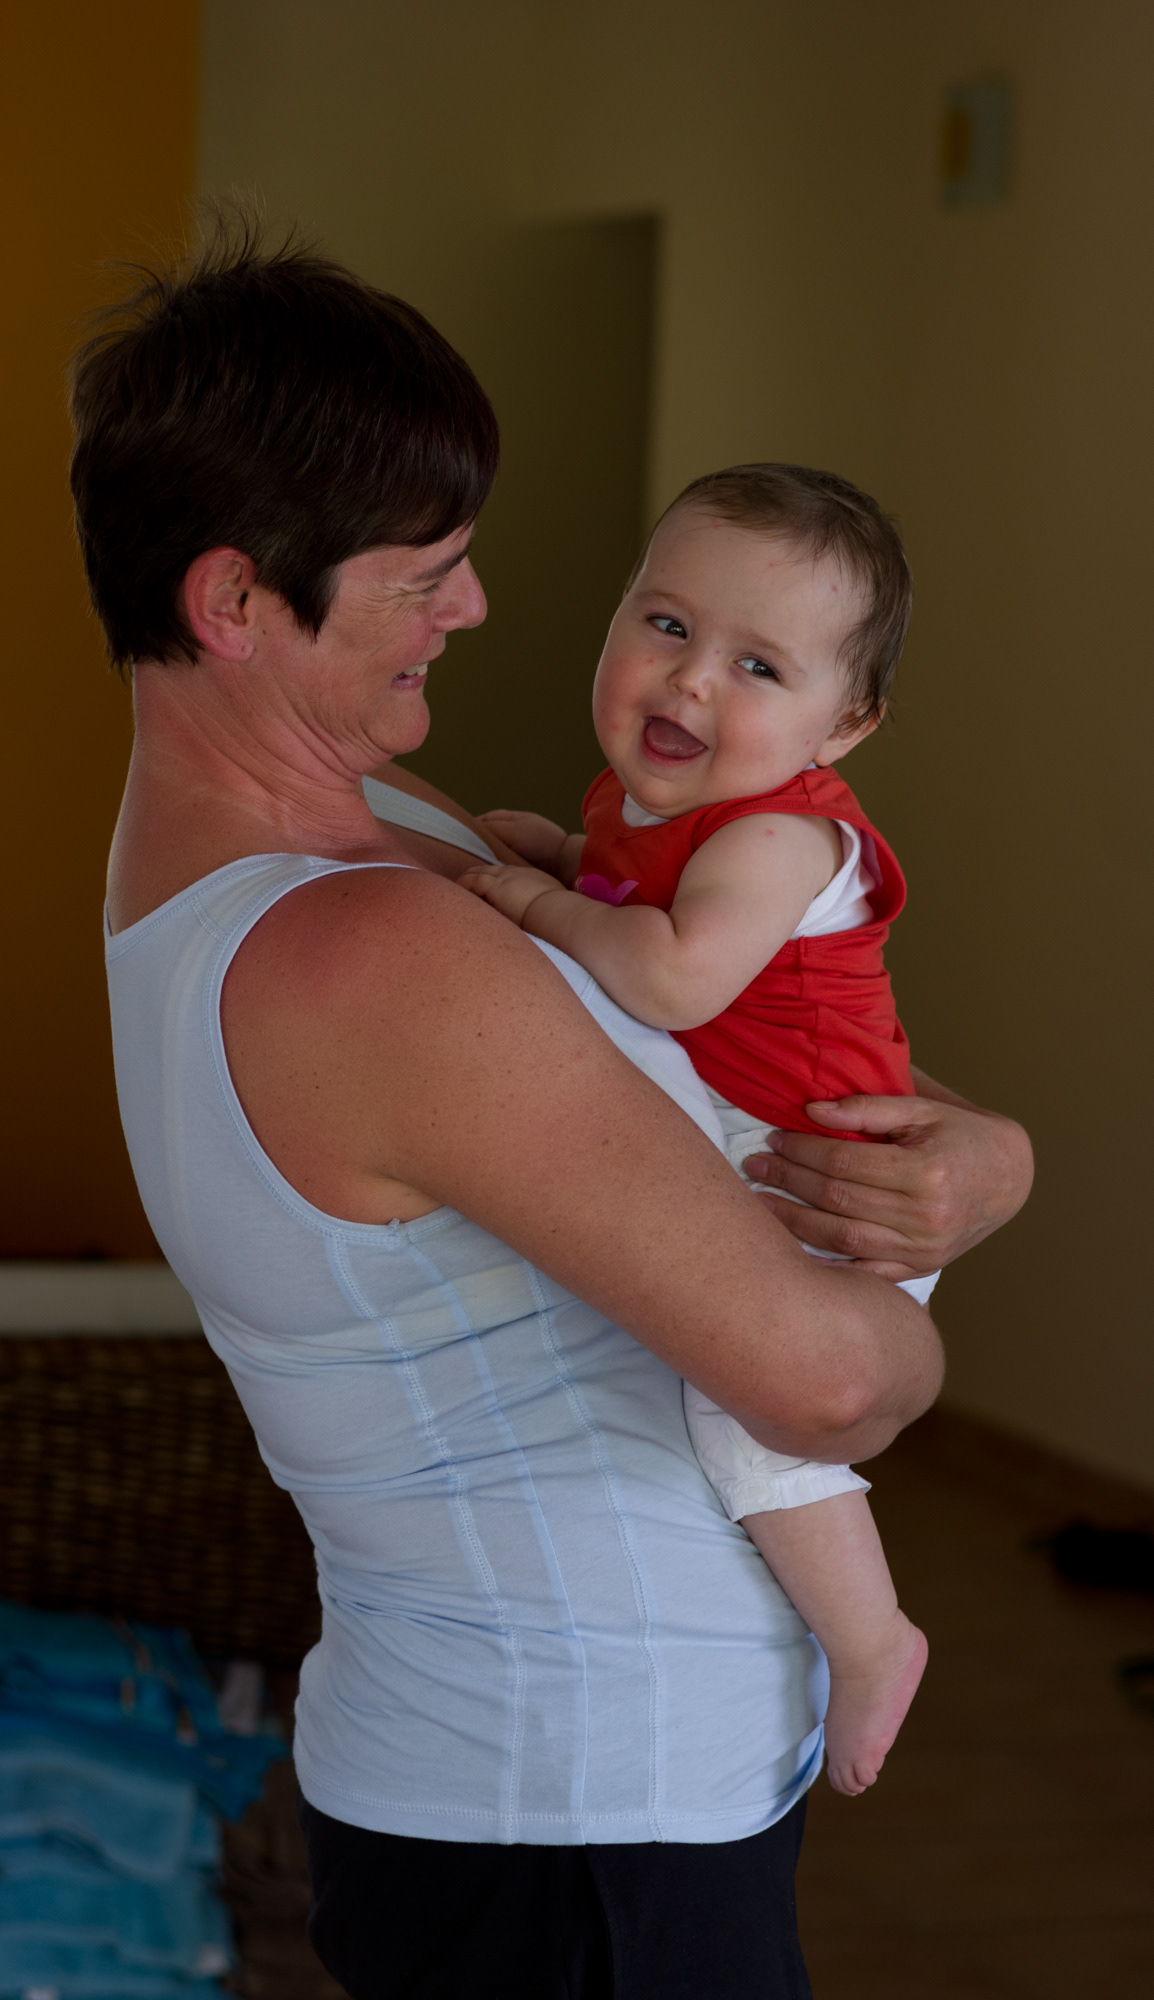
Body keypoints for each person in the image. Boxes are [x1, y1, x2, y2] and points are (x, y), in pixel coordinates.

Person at [78, 217, 1033, 2000]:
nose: (474, 609)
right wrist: (912, 1332)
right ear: (233, 602)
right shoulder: (366, 950)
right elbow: (823, 1383)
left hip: (547, 1790)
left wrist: (983, 1155)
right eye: (423, 572)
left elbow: (714, 1050)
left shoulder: (391, 834)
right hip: (577, 1817)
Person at [461, 462, 933, 1799]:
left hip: (828, 1182)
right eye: (666, 625)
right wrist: (568, 858)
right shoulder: (652, 801)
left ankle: (873, 1639)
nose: (690, 682)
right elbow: (641, 894)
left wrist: (538, 904)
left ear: (846, 726)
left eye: (758, 667)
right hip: (749, 1152)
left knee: (748, 1416)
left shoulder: (778, 840)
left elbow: (672, 976)